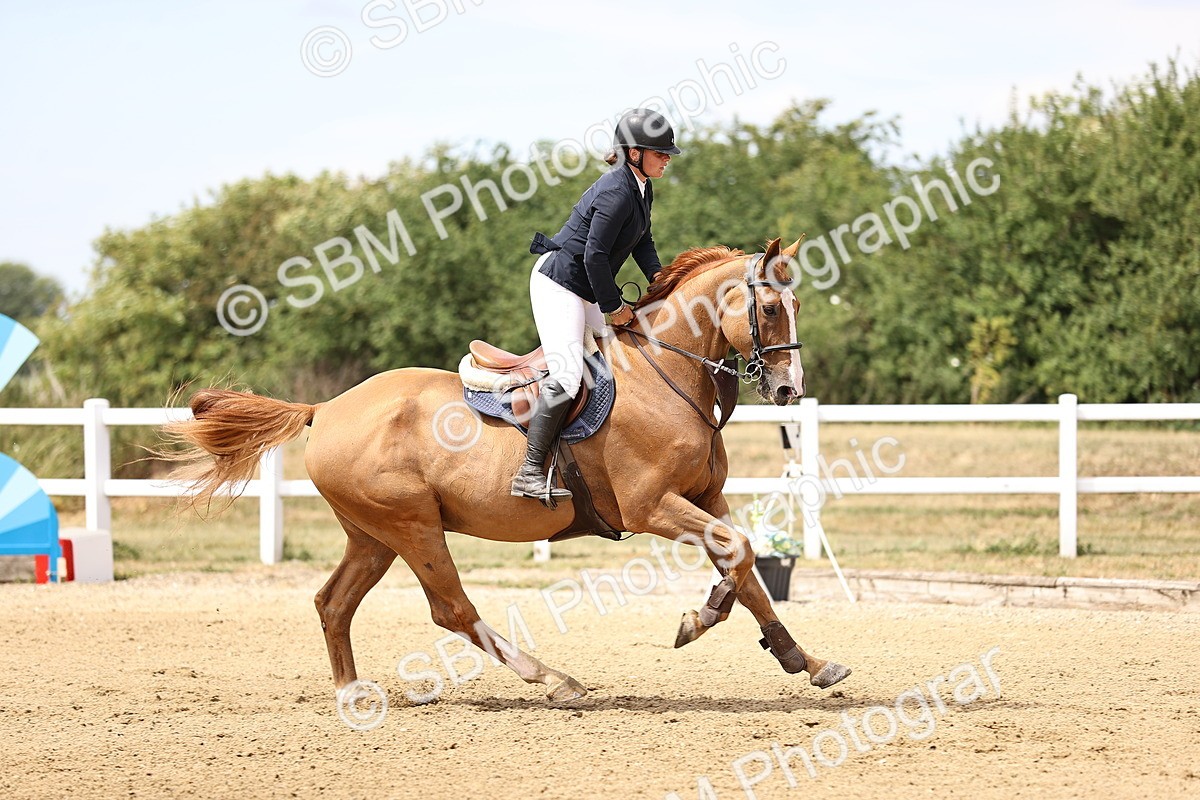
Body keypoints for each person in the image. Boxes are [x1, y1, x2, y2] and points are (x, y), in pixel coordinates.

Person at [511, 108, 681, 502]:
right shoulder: (616, 191)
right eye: (661, 152)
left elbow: (642, 240)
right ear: (634, 153)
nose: (668, 157)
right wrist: (615, 306)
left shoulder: (641, 187)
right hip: (561, 283)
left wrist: (661, 279)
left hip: (585, 283)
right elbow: (593, 257)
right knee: (570, 375)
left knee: (614, 361)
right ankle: (530, 471)